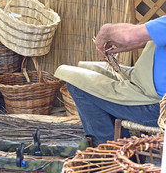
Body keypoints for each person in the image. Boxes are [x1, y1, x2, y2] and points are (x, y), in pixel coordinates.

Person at [54, 15, 166, 146]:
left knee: (76, 83)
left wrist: (105, 30)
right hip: (143, 82)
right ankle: (120, 145)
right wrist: (129, 45)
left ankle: (109, 152)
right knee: (88, 69)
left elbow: (129, 36)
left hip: (155, 107)